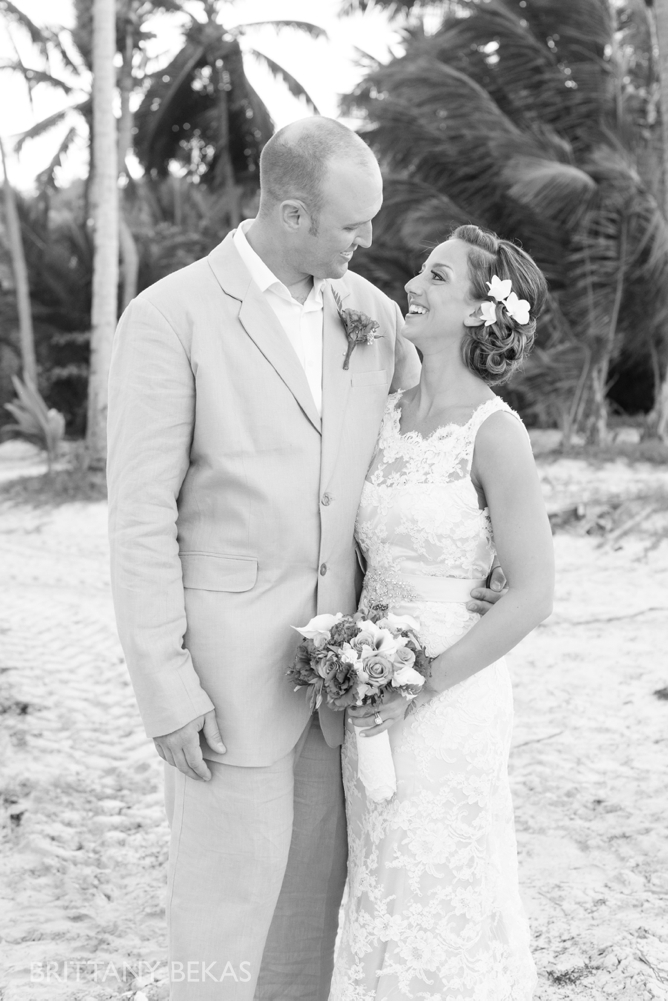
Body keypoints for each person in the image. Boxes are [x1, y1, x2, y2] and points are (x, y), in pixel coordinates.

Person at [107, 119, 503, 1001]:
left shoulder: (369, 312)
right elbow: (137, 519)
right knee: (220, 927)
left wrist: (491, 551)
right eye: (353, 224)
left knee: (308, 928)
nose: (370, 240)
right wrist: (165, 687)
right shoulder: (169, 317)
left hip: (342, 684)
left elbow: (434, 444)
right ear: (292, 213)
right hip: (224, 685)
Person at [330, 225, 554, 1001]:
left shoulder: (497, 432)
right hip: (368, 680)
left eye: (437, 277)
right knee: (380, 872)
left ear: (479, 312)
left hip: (450, 694)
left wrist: (419, 683)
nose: (413, 286)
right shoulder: (382, 414)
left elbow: (533, 592)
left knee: (440, 877)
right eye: (422, 271)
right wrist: (361, 664)